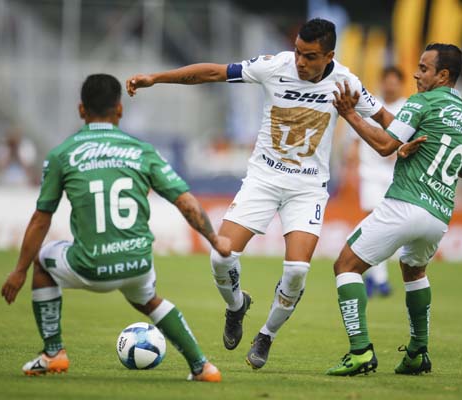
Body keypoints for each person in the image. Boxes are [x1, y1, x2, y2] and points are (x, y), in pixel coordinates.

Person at [126, 18, 421, 370]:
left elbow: (389, 119)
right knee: (220, 257)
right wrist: (156, 79)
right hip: (262, 180)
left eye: (309, 56)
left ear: (328, 55)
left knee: (297, 271)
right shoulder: (273, 66)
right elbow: (213, 73)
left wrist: (408, 143)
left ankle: (266, 335)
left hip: (308, 188)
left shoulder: (346, 83)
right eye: (298, 51)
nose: (300, 61)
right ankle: (237, 306)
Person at [1, 74, 230, 382]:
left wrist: (19, 270)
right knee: (148, 298)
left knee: (42, 261)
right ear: (119, 110)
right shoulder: (142, 151)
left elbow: (42, 218)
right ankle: (202, 366)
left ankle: (54, 353)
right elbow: (186, 202)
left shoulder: (62, 154)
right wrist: (214, 239)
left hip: (90, 265)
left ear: (81, 110)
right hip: (137, 262)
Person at [326, 43, 462, 376]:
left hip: (406, 202)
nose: (417, 74)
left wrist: (349, 114)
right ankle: (418, 353)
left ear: (443, 74)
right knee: (414, 270)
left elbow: (384, 146)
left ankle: (360, 351)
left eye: (424, 68)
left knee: (345, 266)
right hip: (439, 214)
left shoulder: (420, 102)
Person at [355, 66, 407, 298]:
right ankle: (381, 279)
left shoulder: (407, 108)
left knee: (385, 227)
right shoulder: (370, 105)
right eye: (387, 81)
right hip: (369, 173)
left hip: (395, 175)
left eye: (395, 82)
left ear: (400, 84)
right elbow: (355, 136)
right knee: (372, 222)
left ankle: (374, 277)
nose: (390, 86)